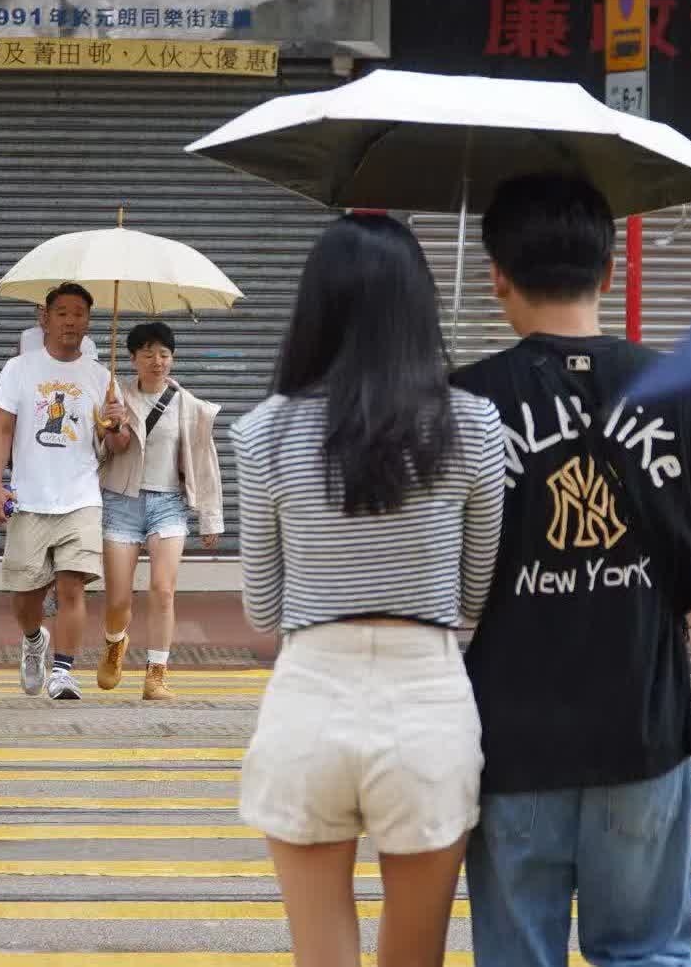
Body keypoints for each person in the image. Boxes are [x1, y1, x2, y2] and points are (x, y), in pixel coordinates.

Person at [450, 173, 691, 967]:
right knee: (644, 953)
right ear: (608, 273)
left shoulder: (463, 401)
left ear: (496, 274)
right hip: (644, 733)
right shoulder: (686, 394)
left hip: (508, 744)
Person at [231, 214, 506, 967]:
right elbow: (474, 595)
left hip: (308, 698)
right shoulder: (475, 427)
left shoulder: (263, 434)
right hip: (428, 701)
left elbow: (262, 609)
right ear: (418, 306)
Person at [0, 283, 133, 702]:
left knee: (72, 587)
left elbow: (117, 447)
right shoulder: (20, 369)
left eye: (80, 314)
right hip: (30, 499)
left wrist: (117, 423)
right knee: (24, 596)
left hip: (81, 498)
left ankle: (64, 672)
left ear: (89, 321)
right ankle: (34, 641)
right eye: (63, 312)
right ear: (45, 319)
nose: (72, 321)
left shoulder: (102, 378)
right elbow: (2, 429)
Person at [96, 321, 224, 701]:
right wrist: (111, 425)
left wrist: (209, 517)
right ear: (133, 358)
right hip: (122, 503)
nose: (157, 361)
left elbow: (205, 463)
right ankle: (115, 643)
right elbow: (108, 453)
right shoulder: (115, 398)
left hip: (168, 504)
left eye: (164, 354)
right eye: (148, 353)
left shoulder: (189, 406)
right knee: (118, 601)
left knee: (163, 590)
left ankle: (156, 675)